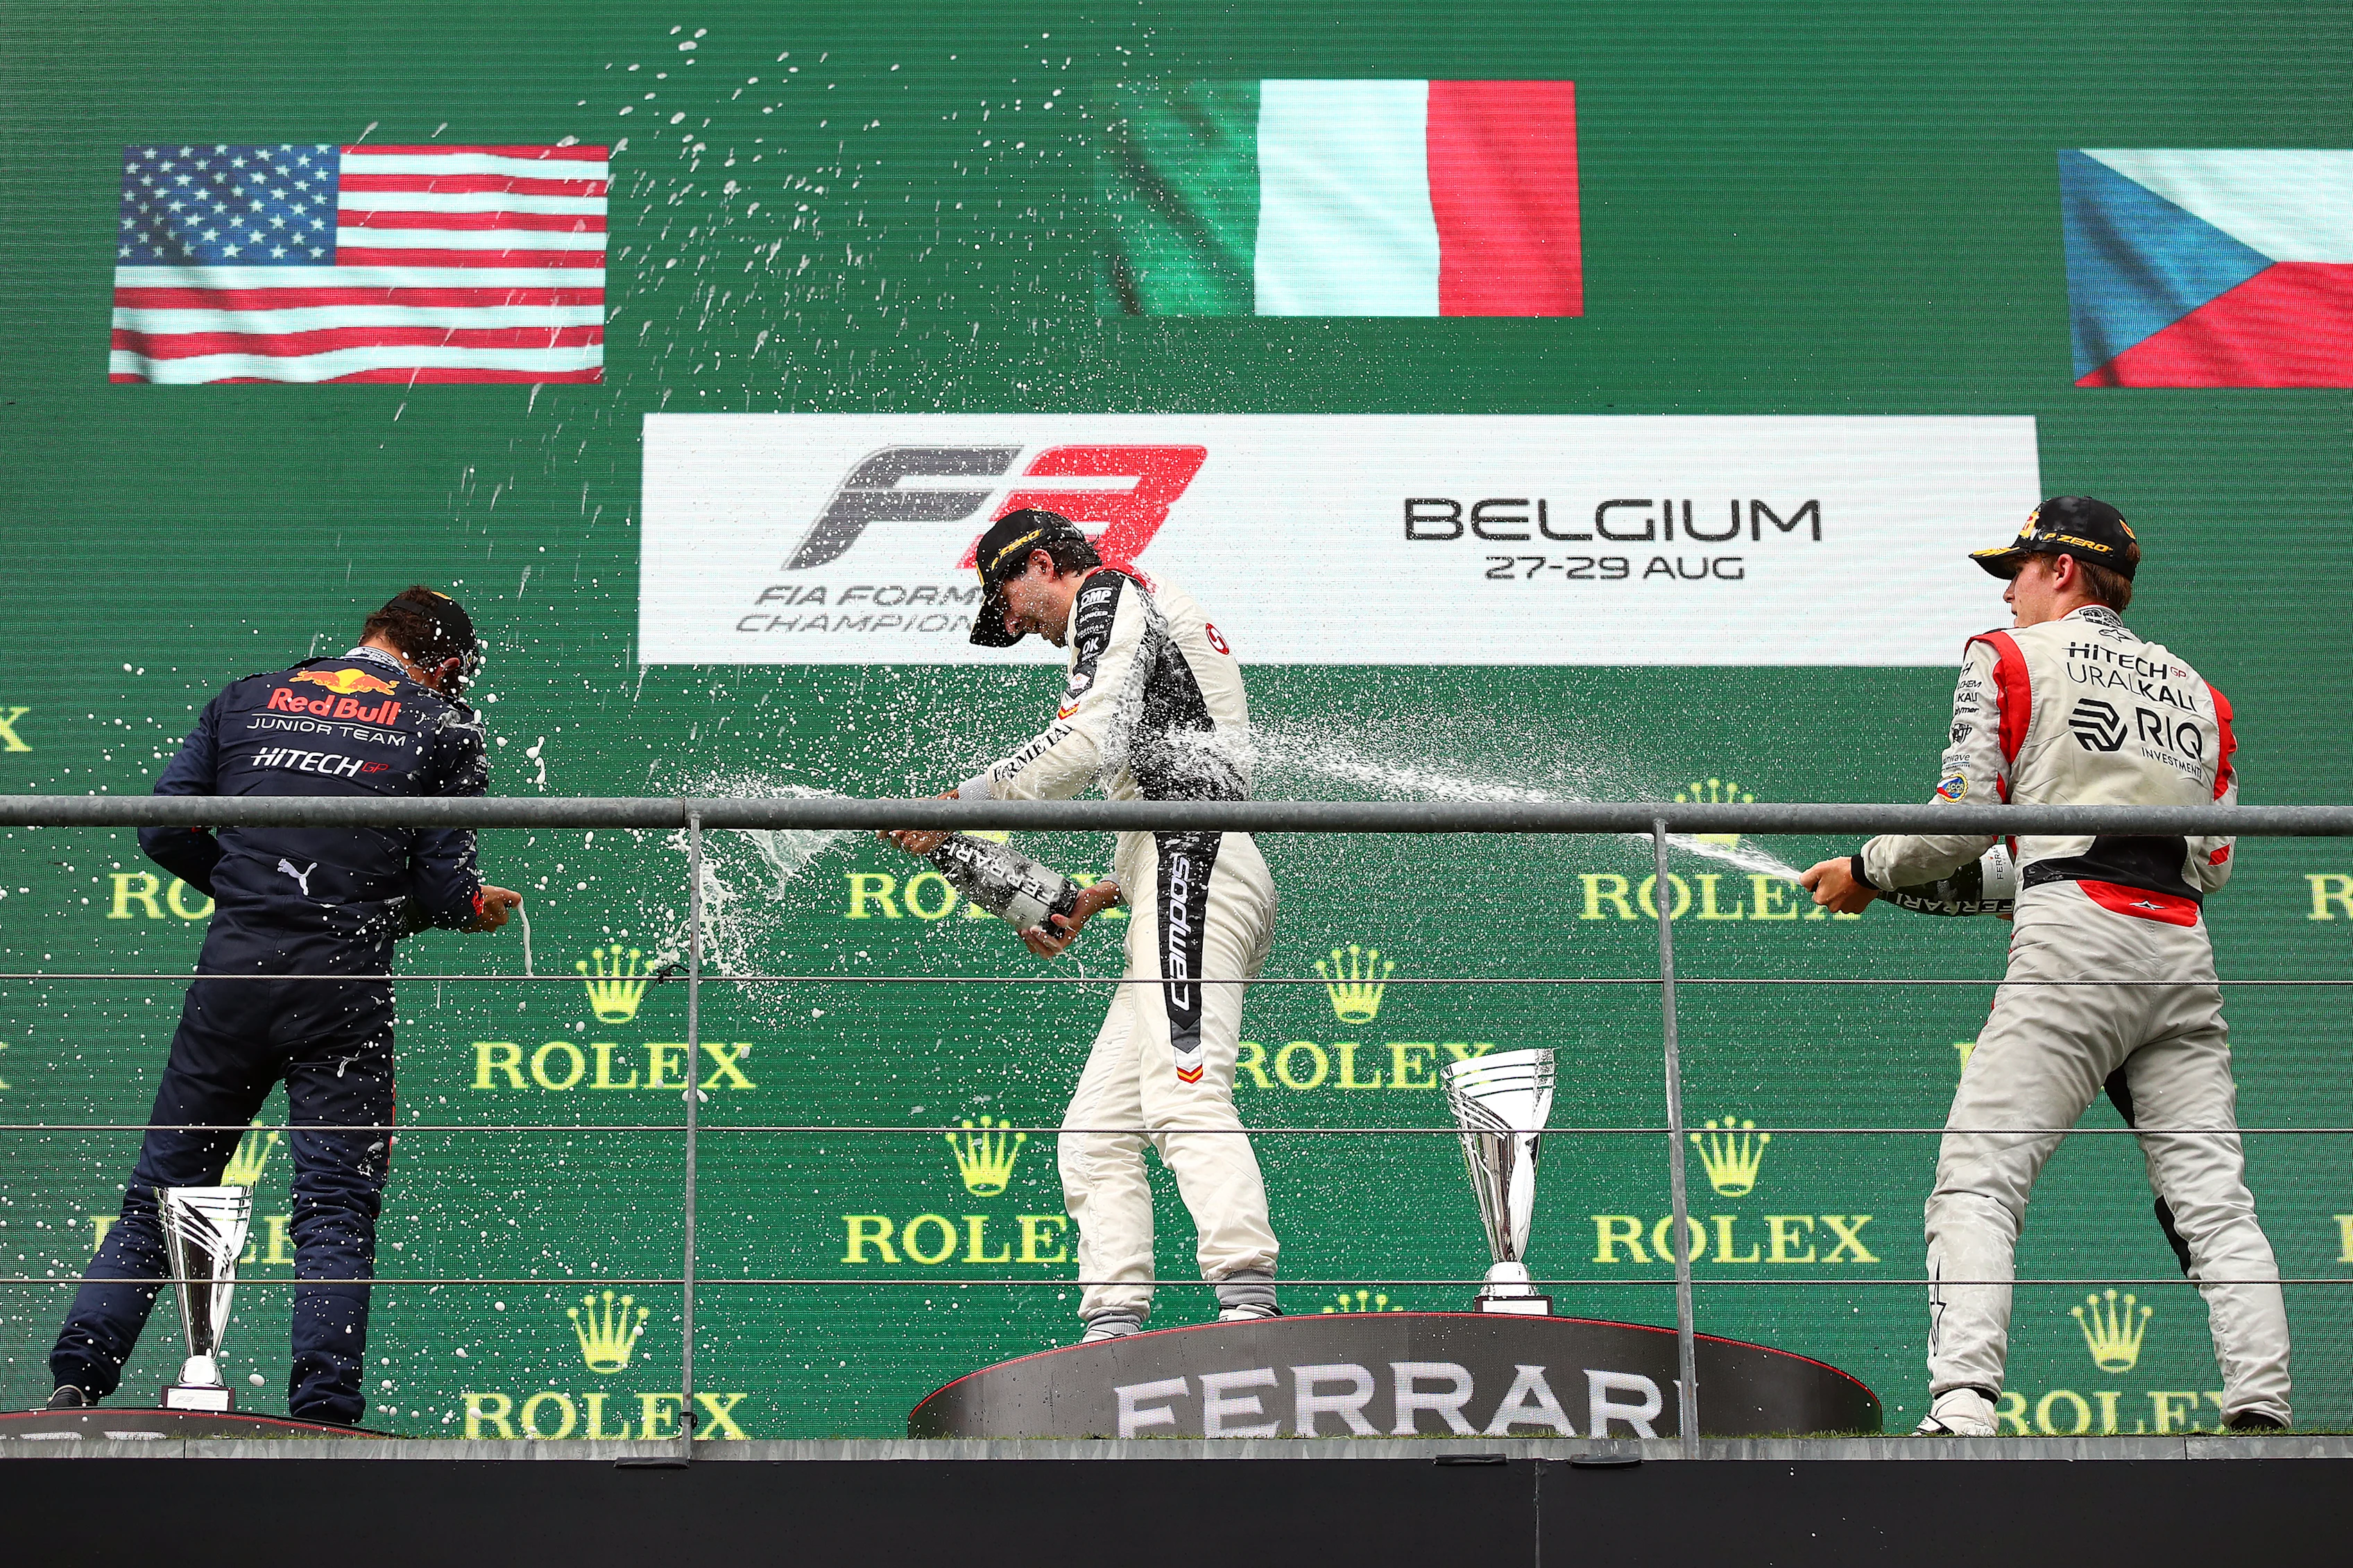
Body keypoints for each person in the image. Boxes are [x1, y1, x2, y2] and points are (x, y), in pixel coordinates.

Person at [1799, 497, 2290, 1436]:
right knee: (2212, 1199)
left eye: (2019, 571)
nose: (2010, 592)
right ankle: (2264, 1411)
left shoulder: (2008, 654)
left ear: (2062, 570)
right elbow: (2212, 862)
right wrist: (2007, 875)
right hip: (2180, 950)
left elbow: (1966, 811)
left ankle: (1962, 1409)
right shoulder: (2202, 693)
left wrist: (1868, 870)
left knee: (1979, 1176)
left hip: (2074, 942)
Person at [49, 587, 521, 1424]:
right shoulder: (446, 727)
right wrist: (467, 907)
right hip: (341, 988)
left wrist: (251, 892)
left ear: (372, 634)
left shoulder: (246, 695)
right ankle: (325, 1412)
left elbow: (161, 827)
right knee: (335, 1203)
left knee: (161, 1189)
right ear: (443, 665)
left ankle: (75, 1382)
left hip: (233, 974)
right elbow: (444, 888)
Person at [884, 510, 1281, 1343]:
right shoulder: (1131, 612)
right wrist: (1098, 892)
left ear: (1040, 563)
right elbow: (1153, 769)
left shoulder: (1107, 591)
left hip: (1193, 855)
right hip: (1167, 858)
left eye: (1006, 595)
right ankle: (1112, 1328)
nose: (1012, 621)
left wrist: (960, 802)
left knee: (1184, 1089)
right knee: (1095, 1132)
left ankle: (1248, 1305)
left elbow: (1090, 739)